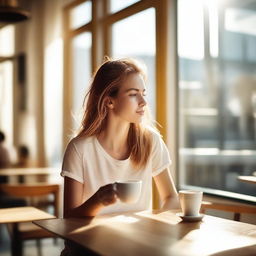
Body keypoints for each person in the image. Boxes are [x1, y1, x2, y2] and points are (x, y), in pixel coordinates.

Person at [61, 57, 179, 220]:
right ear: (109, 101)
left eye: (143, 94)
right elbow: (68, 218)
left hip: (137, 242)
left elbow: (171, 197)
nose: (144, 102)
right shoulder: (79, 149)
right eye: (133, 94)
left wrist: (157, 228)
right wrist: (98, 200)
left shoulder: (150, 141)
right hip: (88, 243)